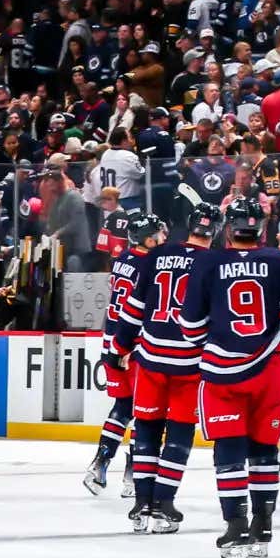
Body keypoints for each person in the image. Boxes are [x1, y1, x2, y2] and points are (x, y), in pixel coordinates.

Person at [189, 195, 280, 558]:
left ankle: (236, 527)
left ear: (229, 228)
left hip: (223, 374)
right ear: (261, 227)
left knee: (229, 452)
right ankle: (264, 524)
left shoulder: (207, 262)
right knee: (264, 450)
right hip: (269, 370)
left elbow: (191, 328)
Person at [112, 213, 210, 534]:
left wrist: (121, 345)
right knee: (180, 433)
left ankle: (141, 503)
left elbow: (134, 308)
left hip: (152, 359)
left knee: (147, 428)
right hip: (188, 364)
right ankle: (163, 502)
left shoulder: (157, 255)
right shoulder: (214, 262)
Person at [84, 213, 161, 497]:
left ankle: (99, 465)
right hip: (133, 346)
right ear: (148, 238)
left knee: (123, 406)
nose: (163, 238)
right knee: (144, 412)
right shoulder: (149, 265)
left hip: (111, 342)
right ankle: (133, 476)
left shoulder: (122, 260)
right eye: (159, 234)